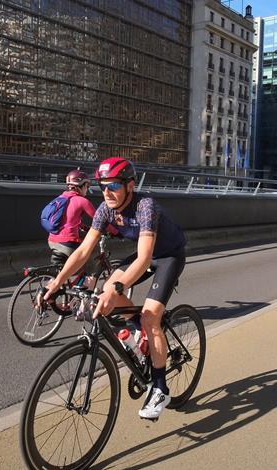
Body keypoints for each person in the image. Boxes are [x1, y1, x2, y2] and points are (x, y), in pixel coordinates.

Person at [42, 157, 187, 421]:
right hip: (147, 254)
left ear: (130, 186)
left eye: (114, 186)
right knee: (105, 291)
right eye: (102, 186)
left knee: (150, 315)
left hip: (167, 256)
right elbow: (85, 250)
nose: (107, 192)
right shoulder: (105, 209)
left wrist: (117, 288)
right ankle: (140, 330)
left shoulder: (145, 206)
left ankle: (160, 387)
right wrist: (58, 281)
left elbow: (144, 259)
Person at [46, 169, 96, 268]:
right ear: (82, 185)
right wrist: (116, 231)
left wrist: (85, 227)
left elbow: (68, 220)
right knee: (91, 268)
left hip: (52, 241)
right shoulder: (82, 201)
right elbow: (100, 219)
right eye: (87, 186)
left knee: (62, 273)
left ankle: (55, 281)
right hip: (67, 243)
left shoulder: (61, 198)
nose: (87, 189)